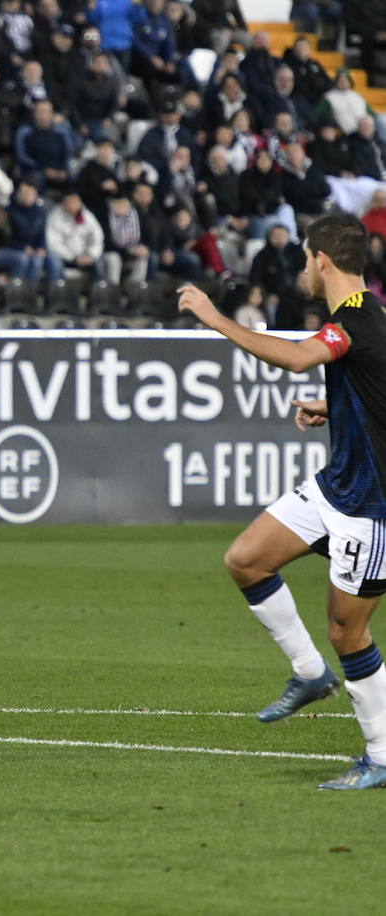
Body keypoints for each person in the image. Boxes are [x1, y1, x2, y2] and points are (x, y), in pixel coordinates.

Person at [177, 213, 386, 790]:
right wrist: (330, 408)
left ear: (322, 259)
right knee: (246, 558)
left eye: (303, 258)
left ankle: (382, 753)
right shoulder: (359, 321)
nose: (301, 268)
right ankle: (309, 673)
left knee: (349, 633)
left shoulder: (359, 319)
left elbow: (297, 358)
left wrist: (216, 319)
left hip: (372, 507)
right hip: (334, 486)